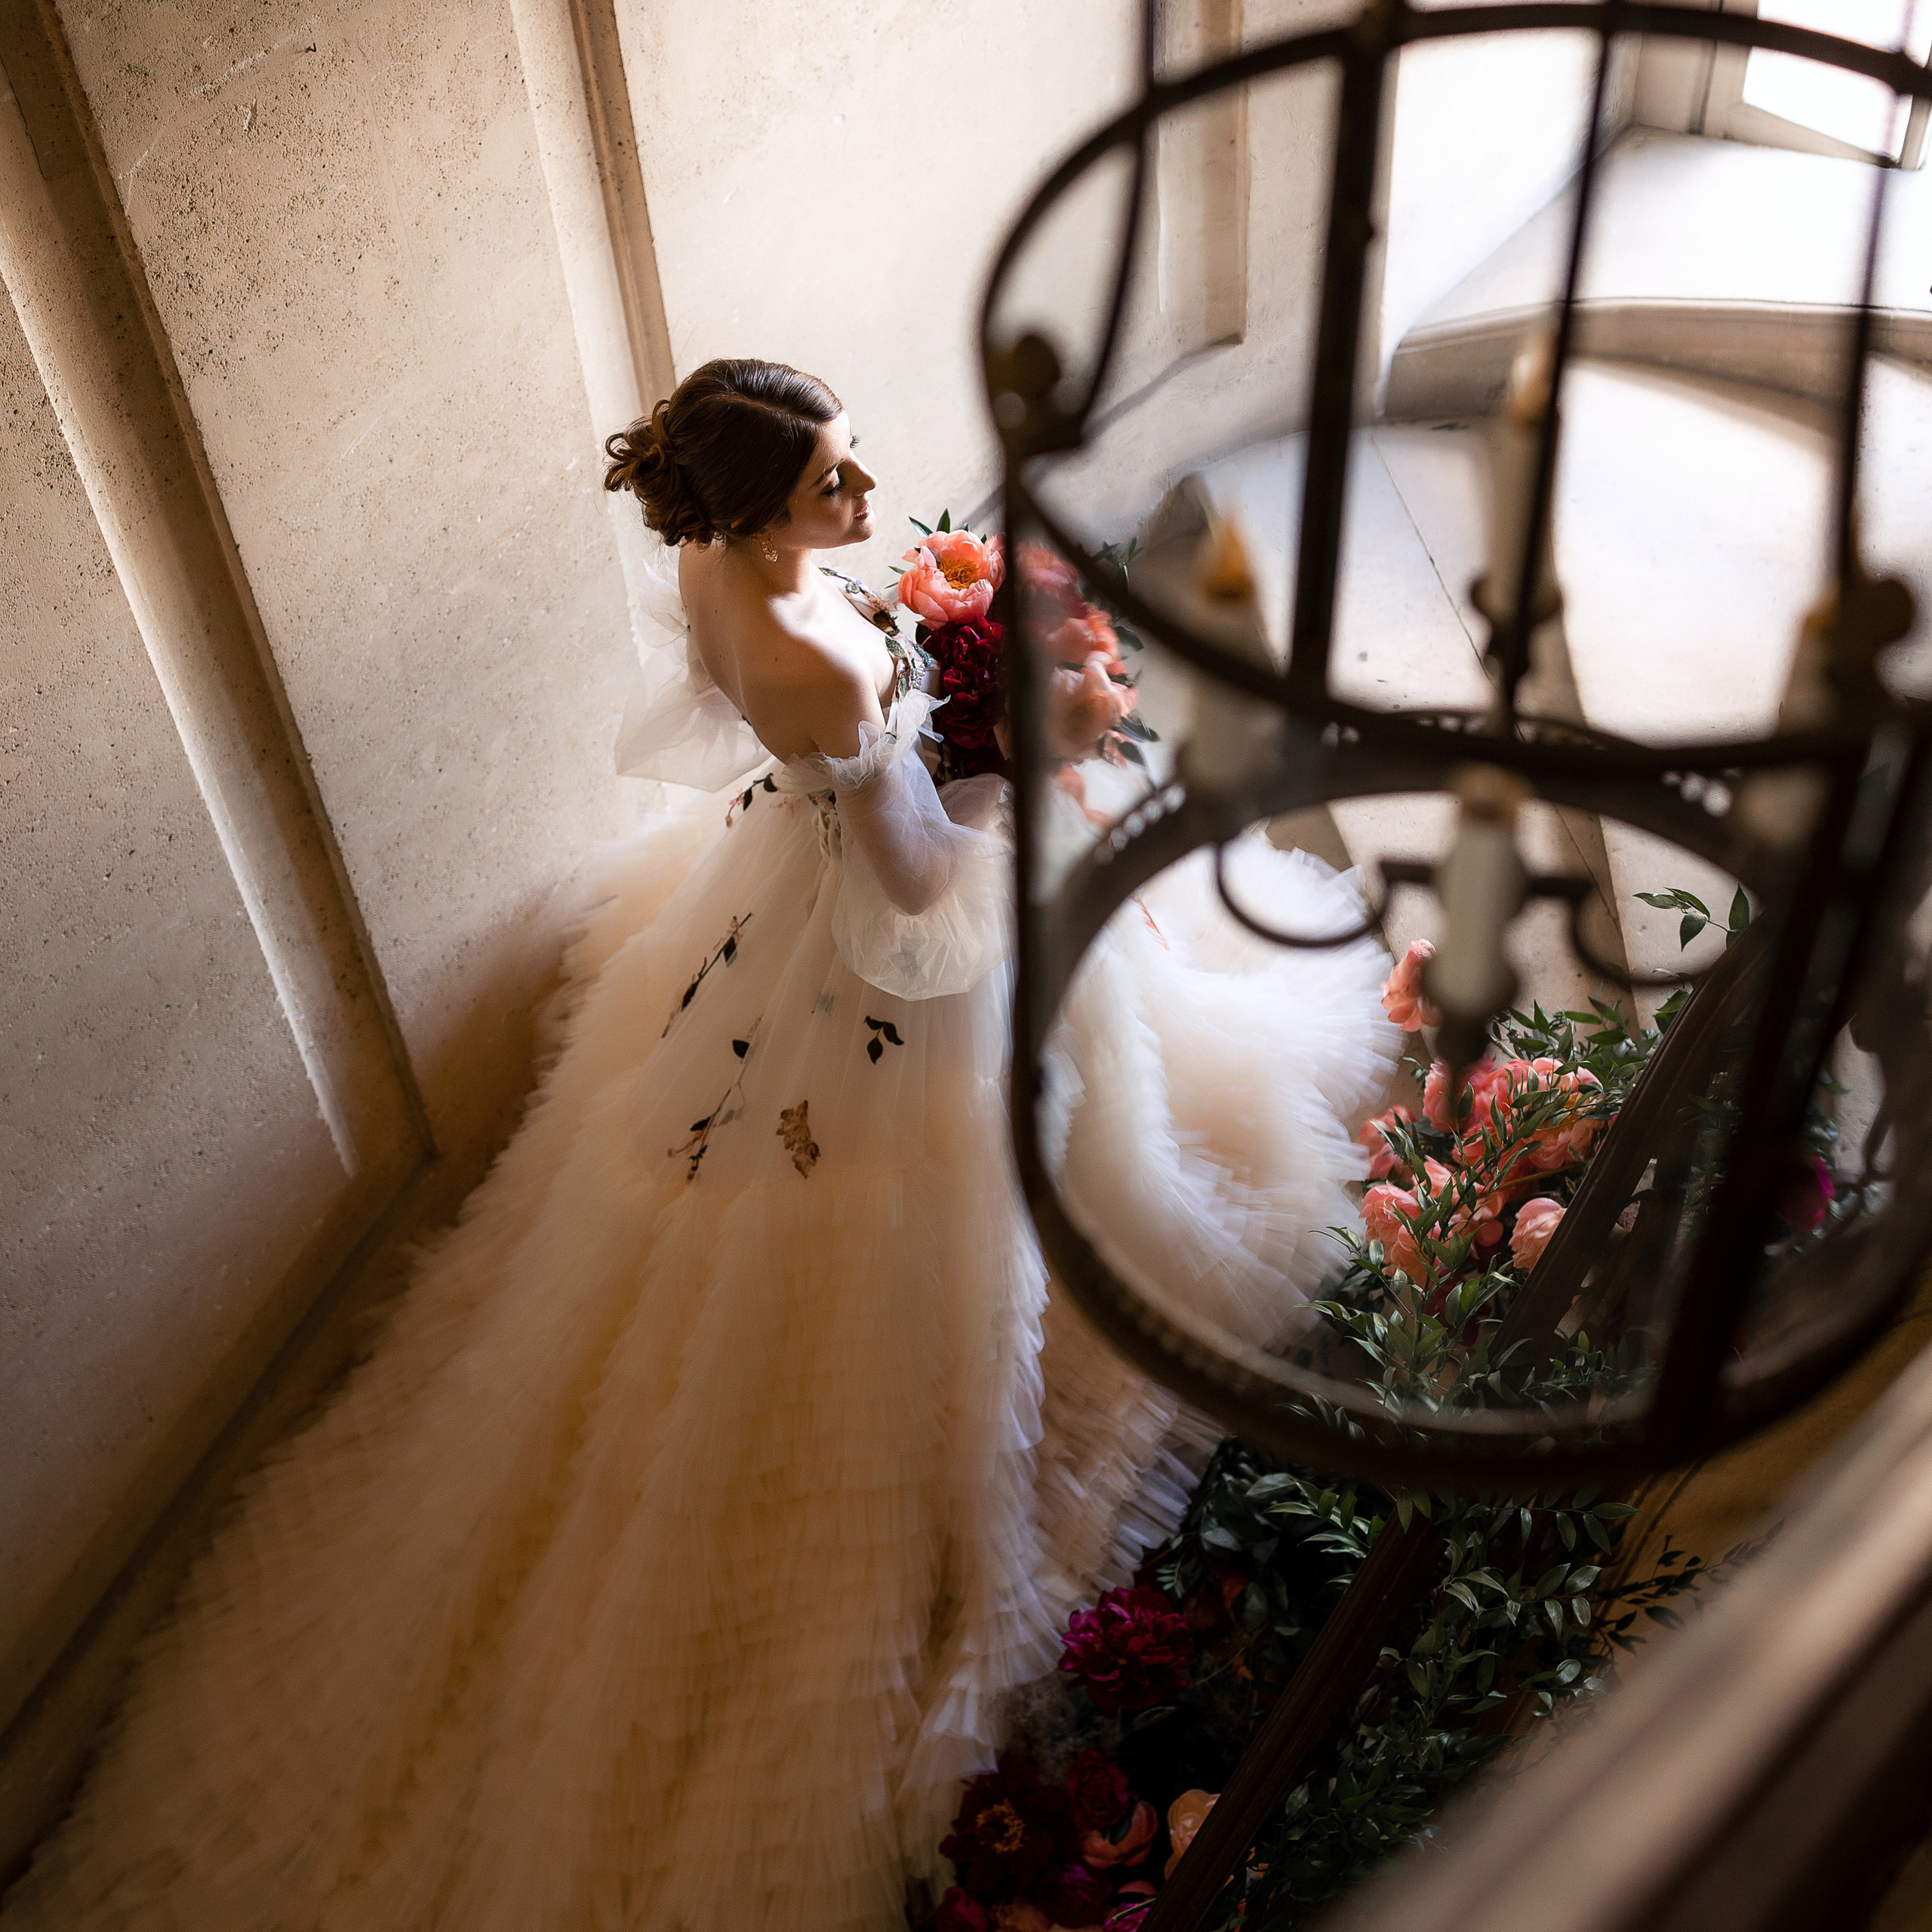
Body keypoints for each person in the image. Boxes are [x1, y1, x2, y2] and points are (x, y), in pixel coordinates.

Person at [2, 358, 1397, 1930]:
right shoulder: (807, 650)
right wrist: (1030, 733)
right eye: (831, 488)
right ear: (751, 505)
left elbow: (823, 736)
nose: (864, 501)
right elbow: (929, 882)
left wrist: (923, 670)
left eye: (855, 464)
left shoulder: (713, 558)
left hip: (771, 899)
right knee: (949, 1154)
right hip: (879, 959)